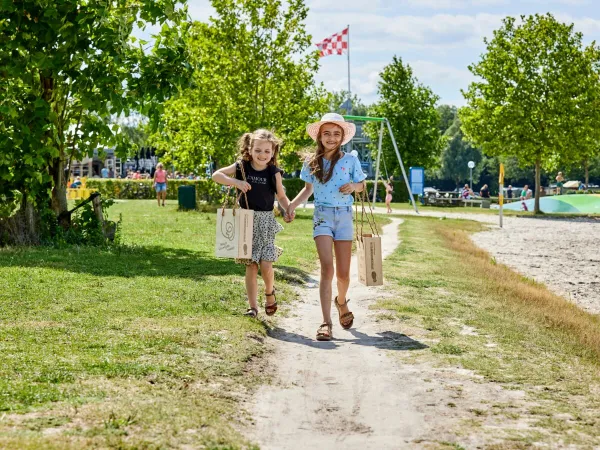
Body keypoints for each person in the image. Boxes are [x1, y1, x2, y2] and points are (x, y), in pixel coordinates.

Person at [287, 113, 366, 341]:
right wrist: (291, 206)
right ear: (320, 136)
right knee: (327, 269)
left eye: (336, 134)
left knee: (343, 274)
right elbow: (307, 190)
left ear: (342, 137)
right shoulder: (312, 161)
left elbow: (362, 185)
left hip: (344, 217)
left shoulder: (350, 160)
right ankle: (325, 322)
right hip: (322, 215)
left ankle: (341, 301)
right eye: (327, 133)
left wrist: (354, 186)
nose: (331, 138)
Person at [212, 129, 292, 318]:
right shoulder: (242, 166)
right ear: (250, 148)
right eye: (258, 150)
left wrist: (288, 209)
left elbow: (281, 195)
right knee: (251, 266)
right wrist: (235, 182)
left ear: (273, 152)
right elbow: (217, 175)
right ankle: (253, 307)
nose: (262, 155)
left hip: (265, 222)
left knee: (265, 264)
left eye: (267, 151)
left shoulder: (274, 172)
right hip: (246, 220)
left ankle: (269, 292)